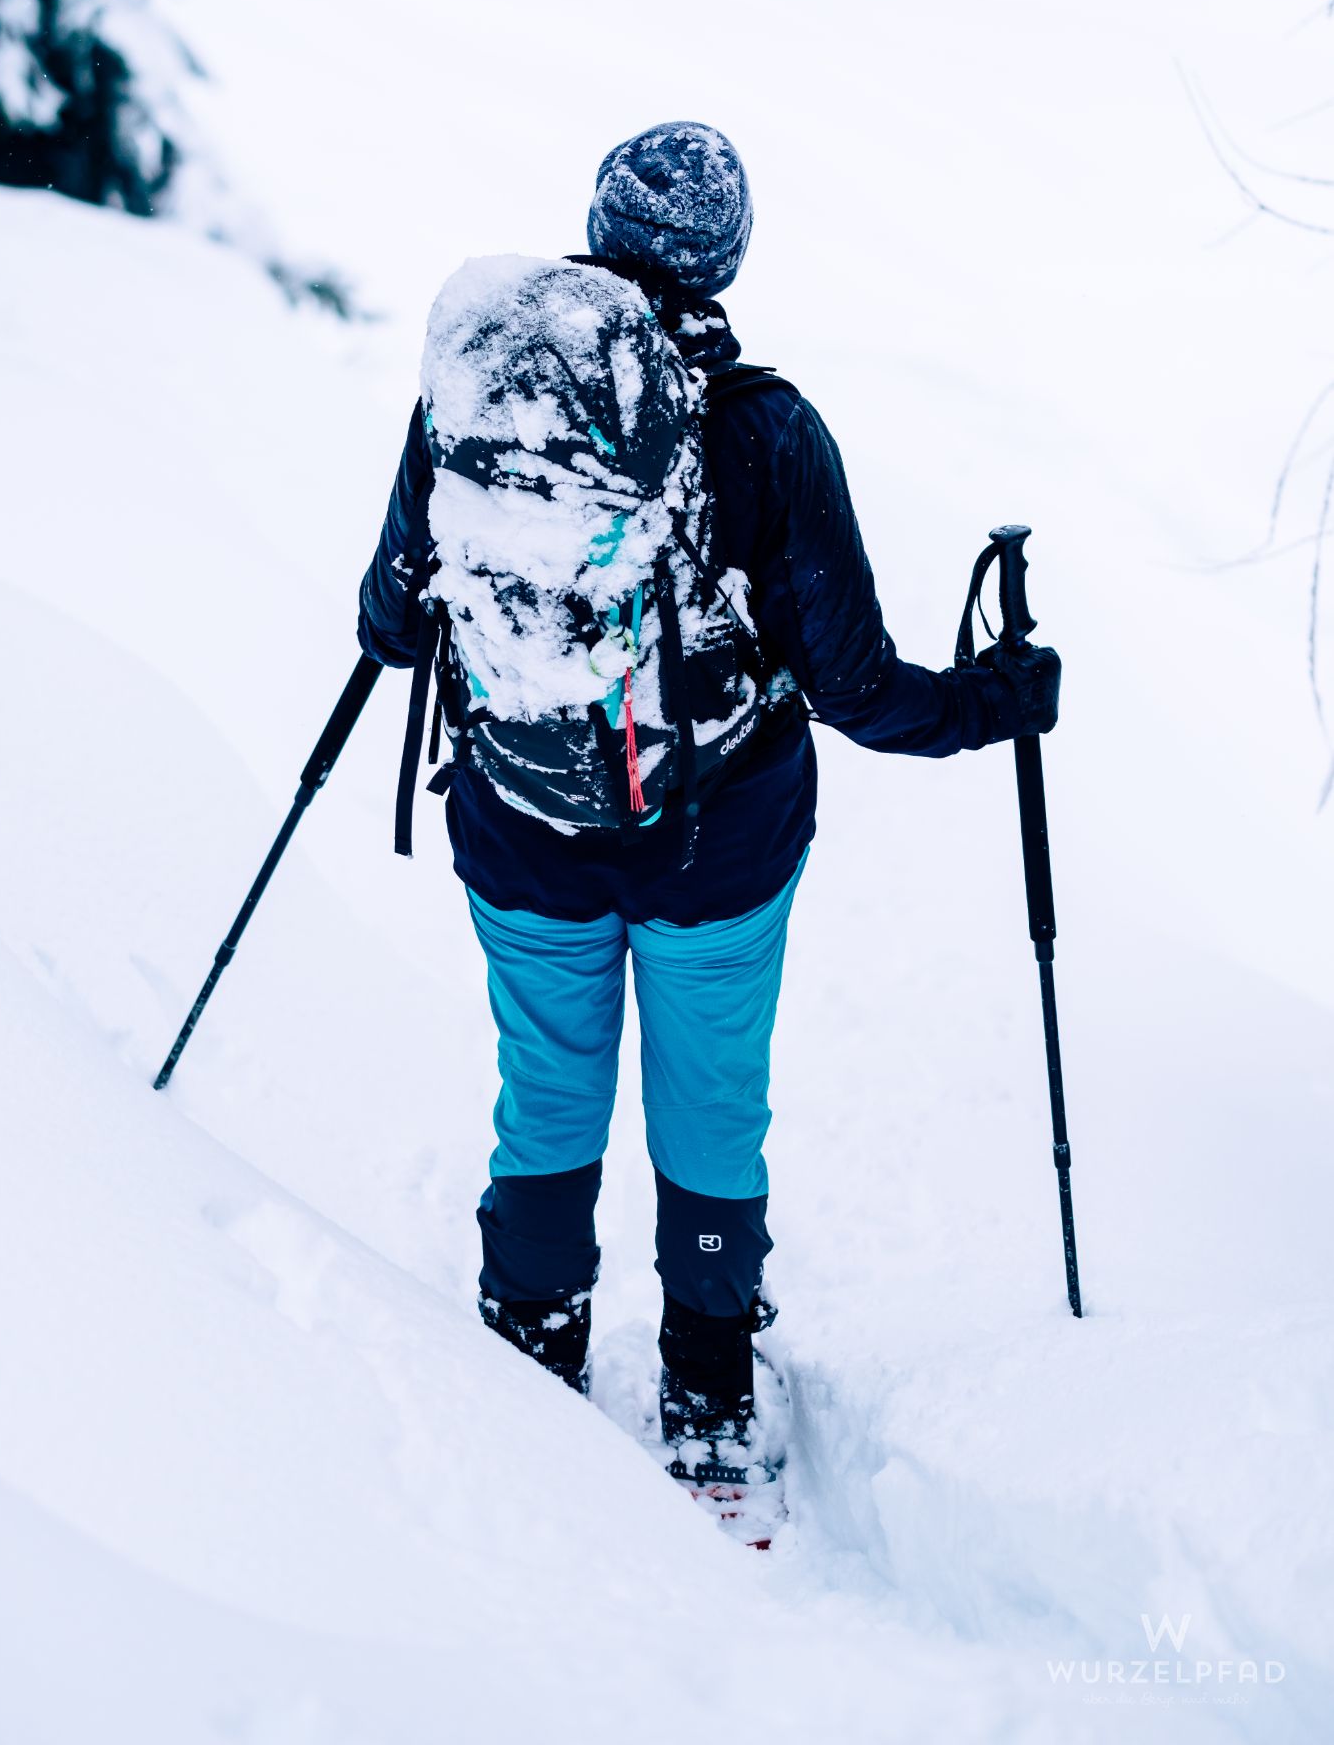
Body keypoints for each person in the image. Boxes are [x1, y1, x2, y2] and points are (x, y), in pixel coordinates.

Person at [358, 122, 1059, 1494]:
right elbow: (854, 688)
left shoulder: (476, 389)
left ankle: (529, 1340)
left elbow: (391, 620)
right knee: (710, 1113)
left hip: (519, 833)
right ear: (726, 259)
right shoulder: (764, 432)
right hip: (717, 851)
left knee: (547, 1096)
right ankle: (708, 1383)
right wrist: (993, 702)